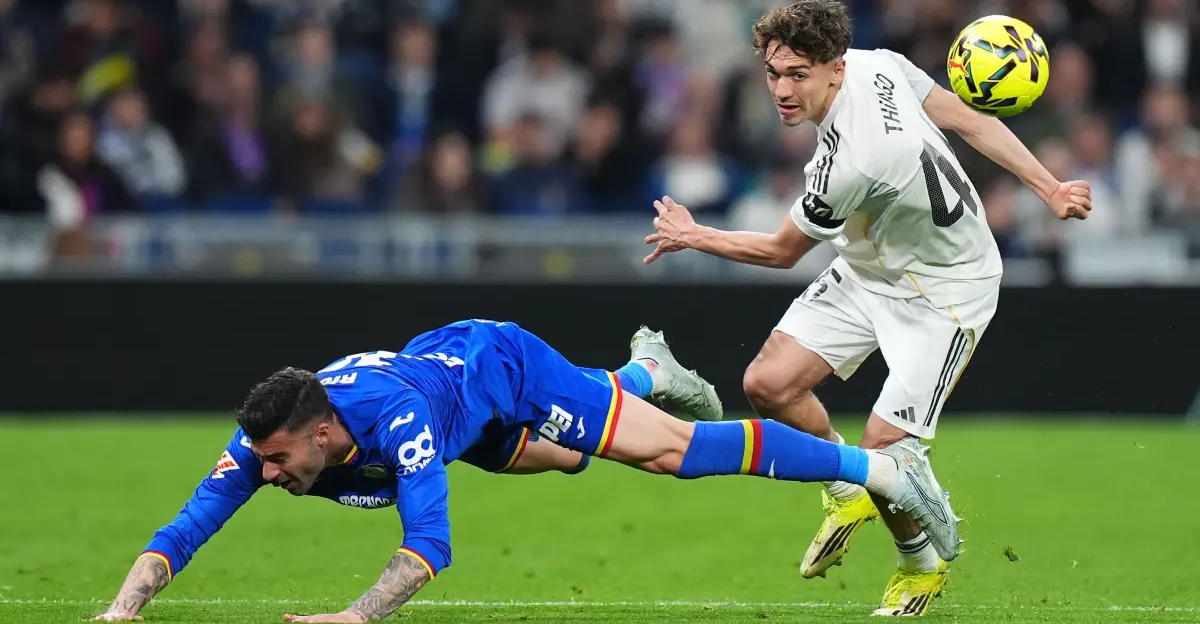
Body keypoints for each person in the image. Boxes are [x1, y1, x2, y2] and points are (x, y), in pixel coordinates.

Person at [642, 0, 1093, 617]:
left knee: (883, 453)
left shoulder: (852, 159)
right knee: (769, 384)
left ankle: (919, 567)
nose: (781, 89)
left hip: (947, 291)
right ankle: (842, 487)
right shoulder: (878, 62)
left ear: (834, 68)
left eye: (797, 75)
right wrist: (1050, 187)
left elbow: (780, 252)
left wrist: (696, 236)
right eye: (774, 73)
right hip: (871, 265)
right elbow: (967, 119)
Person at [93, 319, 958, 623]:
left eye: (280, 461)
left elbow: (431, 543)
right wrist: (123, 605)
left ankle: (874, 469)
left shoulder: (397, 429)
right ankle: (648, 372)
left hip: (496, 367)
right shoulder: (269, 439)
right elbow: (190, 521)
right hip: (450, 394)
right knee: (568, 460)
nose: (269, 474)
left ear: (322, 432)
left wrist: (356, 615)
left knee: (672, 454)